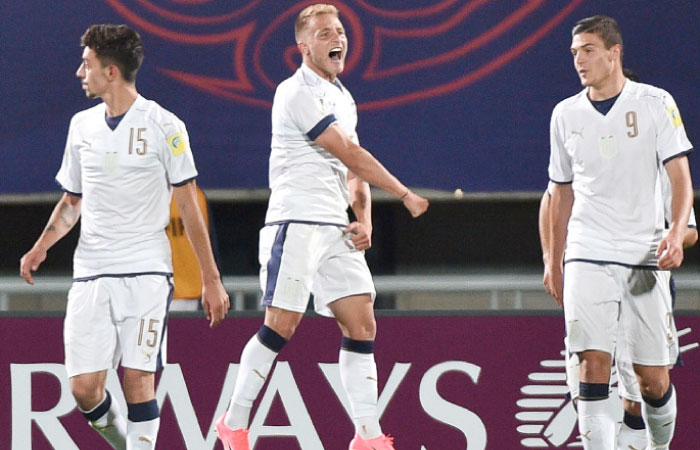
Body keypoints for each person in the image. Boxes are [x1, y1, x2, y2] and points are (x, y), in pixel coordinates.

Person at [215, 4, 429, 450]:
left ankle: (367, 436)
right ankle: (233, 423)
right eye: (324, 32)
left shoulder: (343, 97)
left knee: (362, 324)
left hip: (334, 226)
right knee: (281, 326)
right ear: (303, 46)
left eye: (340, 30)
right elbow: (351, 155)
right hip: (295, 221)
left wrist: (364, 218)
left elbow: (352, 169)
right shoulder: (294, 92)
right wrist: (404, 192)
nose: (337, 38)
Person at [19, 24, 229, 449]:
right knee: (84, 389)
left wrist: (211, 277)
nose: (81, 72)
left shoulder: (164, 126)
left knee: (138, 376)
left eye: (87, 63)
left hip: (146, 272)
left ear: (110, 71)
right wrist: (42, 245)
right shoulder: (81, 127)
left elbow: (188, 204)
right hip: (92, 272)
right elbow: (72, 200)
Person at [544, 15, 694, 450]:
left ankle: (659, 445)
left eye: (588, 50)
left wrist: (677, 230)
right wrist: (554, 259)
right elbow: (560, 192)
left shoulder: (654, 102)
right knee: (591, 364)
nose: (579, 60)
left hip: (643, 254)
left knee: (651, 381)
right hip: (587, 252)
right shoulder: (565, 114)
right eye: (574, 53)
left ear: (615, 53)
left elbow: (681, 176)